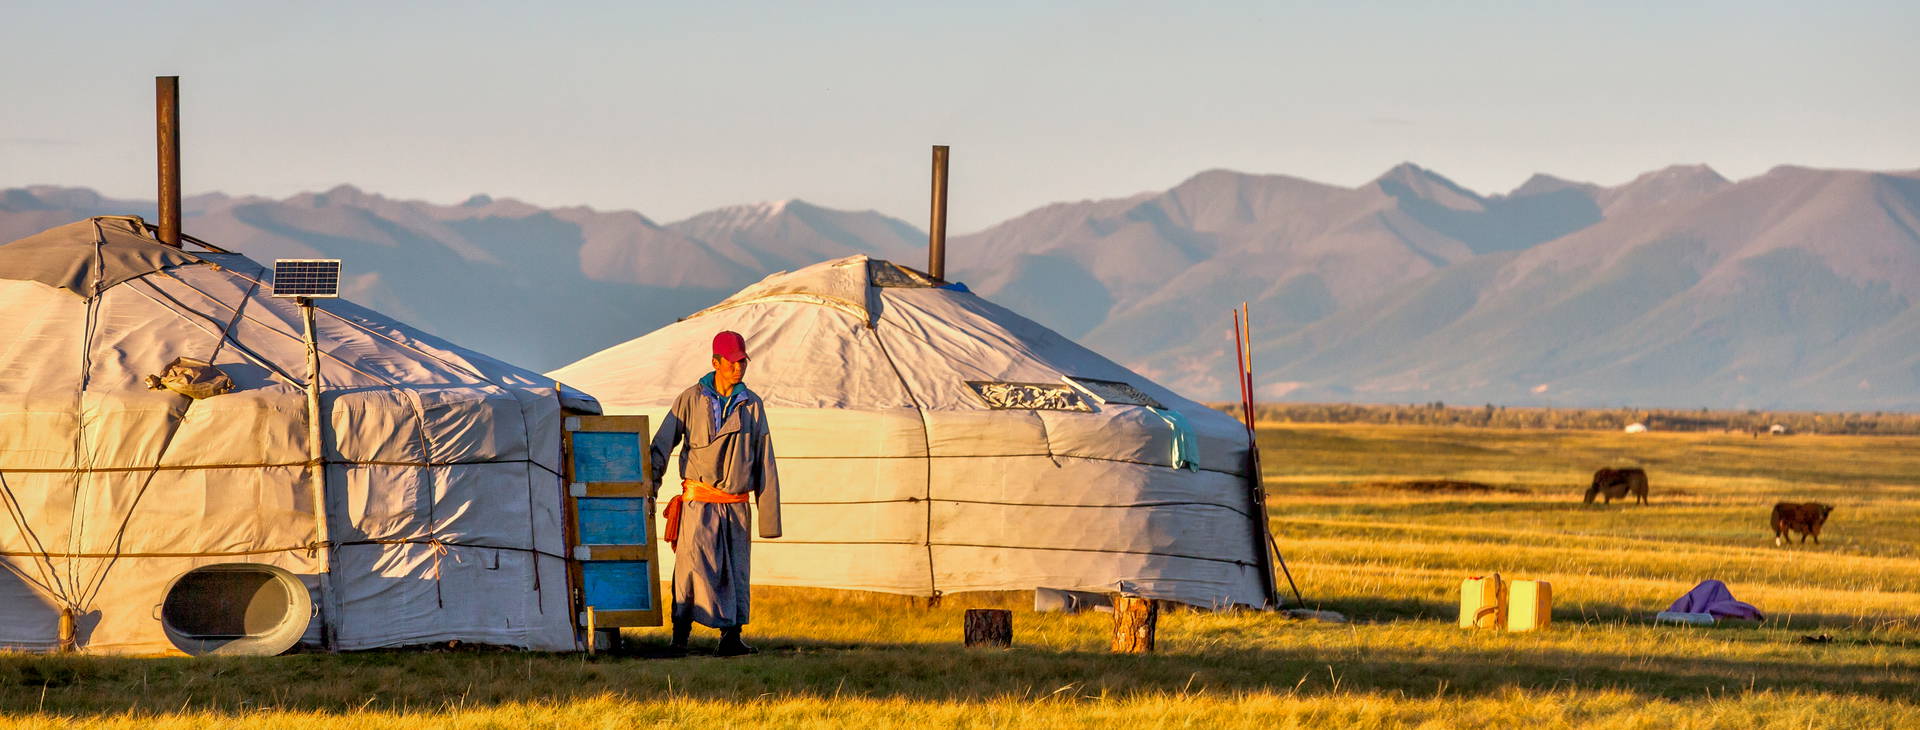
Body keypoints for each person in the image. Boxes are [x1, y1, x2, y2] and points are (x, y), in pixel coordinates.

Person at [649, 330, 781, 656]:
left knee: (735, 569)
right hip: (699, 501)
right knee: (690, 568)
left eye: (742, 362)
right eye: (733, 362)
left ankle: (731, 639)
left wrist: (769, 517)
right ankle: (680, 638)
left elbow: (765, 456)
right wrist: (649, 485)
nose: (739, 368)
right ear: (716, 362)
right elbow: (663, 443)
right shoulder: (690, 399)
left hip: (735, 503)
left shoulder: (751, 405)